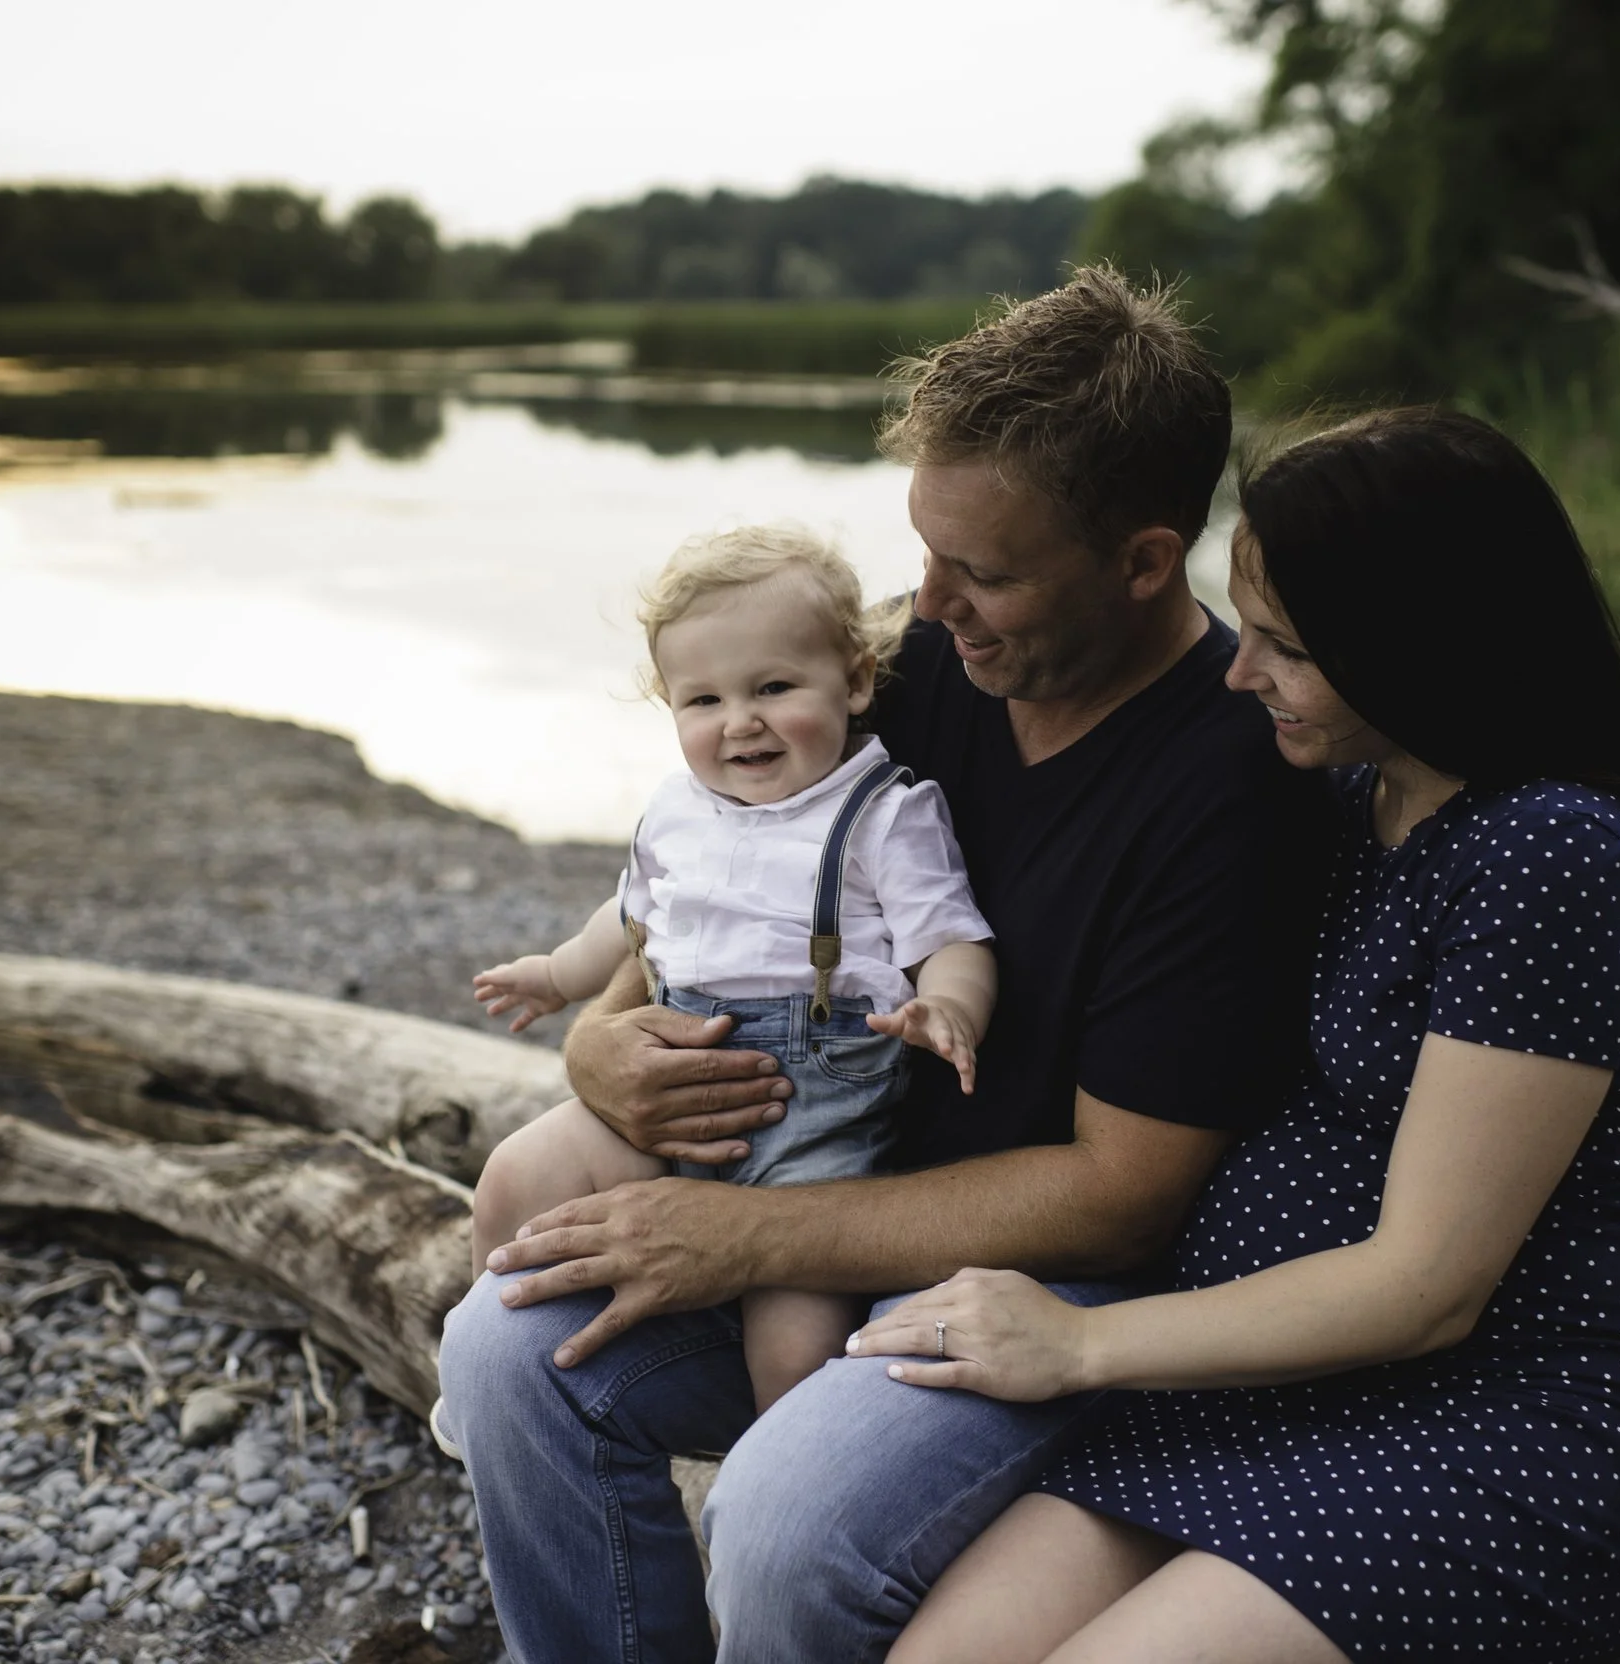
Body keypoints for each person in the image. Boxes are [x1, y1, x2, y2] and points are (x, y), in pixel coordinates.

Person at [434, 266, 1337, 1664]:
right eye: (927, 555)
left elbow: (1120, 1204)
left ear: (1148, 561)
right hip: (825, 1178)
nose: (932, 605)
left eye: (986, 574)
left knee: (787, 1526)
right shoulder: (938, 665)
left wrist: (743, 1240)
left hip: (1056, 1298)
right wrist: (599, 1040)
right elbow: (732, 863)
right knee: (507, 1355)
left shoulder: (1226, 792)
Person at [851, 407, 1620, 1664]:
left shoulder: (1551, 853)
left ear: (1425, 648)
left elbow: (1427, 1285)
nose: (1239, 673)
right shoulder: (1354, 796)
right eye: (1243, 628)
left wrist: (1080, 1340)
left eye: (1286, 648)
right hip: (1258, 1390)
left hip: (1500, 1420)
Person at [463, 525, 998, 1416]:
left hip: (814, 1146)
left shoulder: (883, 813)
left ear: (856, 680)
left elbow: (951, 937)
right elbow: (634, 920)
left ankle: (759, 1469)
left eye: (774, 688)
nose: (738, 721)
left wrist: (948, 1005)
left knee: (795, 1350)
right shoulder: (679, 812)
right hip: (665, 1113)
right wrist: (556, 976)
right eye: (702, 700)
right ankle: (477, 1346)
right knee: (517, 1176)